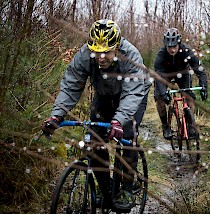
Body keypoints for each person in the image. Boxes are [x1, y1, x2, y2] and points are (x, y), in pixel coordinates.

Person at [41, 19, 151, 212]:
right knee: (95, 138)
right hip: (104, 94)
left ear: (116, 47)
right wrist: (56, 115)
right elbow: (71, 86)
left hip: (134, 95)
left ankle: (126, 187)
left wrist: (118, 121)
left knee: (127, 135)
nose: (100, 57)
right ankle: (106, 188)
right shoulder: (85, 55)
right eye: (96, 51)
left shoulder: (130, 55)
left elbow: (133, 92)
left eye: (106, 51)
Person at [154, 27, 208, 140]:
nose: (172, 50)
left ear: (179, 44)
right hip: (165, 75)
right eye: (169, 47)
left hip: (182, 74)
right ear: (165, 45)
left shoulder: (186, 51)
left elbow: (199, 70)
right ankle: (165, 126)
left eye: (174, 47)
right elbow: (158, 76)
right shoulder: (161, 55)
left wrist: (204, 86)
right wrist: (163, 93)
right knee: (159, 97)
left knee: (189, 96)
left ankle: (189, 125)